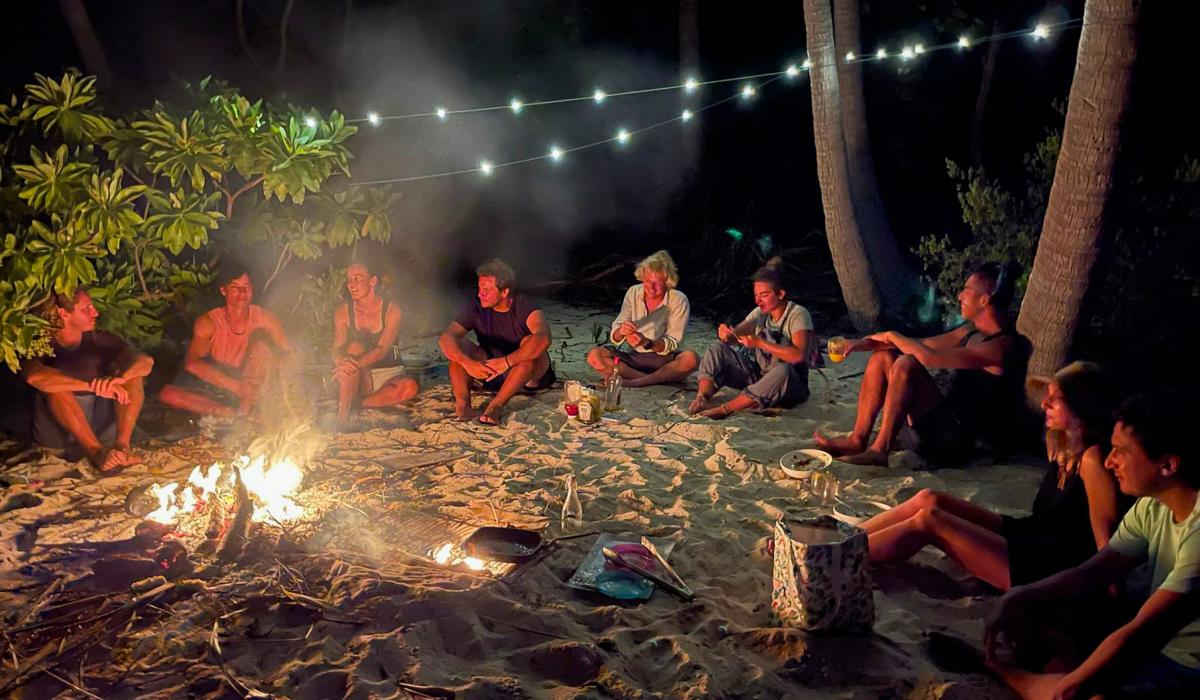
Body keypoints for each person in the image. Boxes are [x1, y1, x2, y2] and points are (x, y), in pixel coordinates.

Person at [985, 392, 1200, 699]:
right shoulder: (1153, 506)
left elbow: (1145, 632)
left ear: (1167, 465)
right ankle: (1029, 674)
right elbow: (1092, 573)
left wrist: (1072, 687)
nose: (1109, 462)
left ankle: (1009, 674)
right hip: (1154, 644)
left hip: (1185, 665)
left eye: (1121, 452)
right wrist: (1020, 595)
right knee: (1034, 612)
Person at [860, 361, 1127, 591]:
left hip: (1044, 567)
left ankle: (846, 557)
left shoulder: (1093, 461)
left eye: (1056, 399)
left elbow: (1107, 544)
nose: (1044, 403)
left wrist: (1112, 594)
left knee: (929, 522)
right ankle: (849, 540)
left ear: (1081, 407)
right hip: (1028, 535)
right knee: (929, 499)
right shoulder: (1062, 444)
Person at [815, 262, 1030, 466]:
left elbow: (928, 358)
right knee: (883, 357)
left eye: (966, 290)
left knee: (907, 363)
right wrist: (863, 344)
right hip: (932, 427)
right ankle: (858, 439)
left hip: (954, 442)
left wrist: (892, 334)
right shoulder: (969, 331)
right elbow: (921, 344)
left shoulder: (1000, 347)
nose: (959, 296)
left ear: (984, 300)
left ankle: (880, 450)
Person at [22, 288, 154, 471]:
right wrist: (92, 386)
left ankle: (122, 447)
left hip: (100, 428)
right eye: (86, 308)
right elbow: (33, 376)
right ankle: (96, 453)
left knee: (132, 375)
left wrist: (120, 378)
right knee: (55, 387)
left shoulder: (98, 339)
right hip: (58, 441)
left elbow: (145, 362)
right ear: (63, 313)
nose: (96, 313)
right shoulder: (40, 344)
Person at [688, 258, 813, 419]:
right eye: (756, 295)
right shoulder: (760, 313)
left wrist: (760, 342)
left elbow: (799, 356)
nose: (757, 300)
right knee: (717, 350)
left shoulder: (798, 314)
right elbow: (734, 337)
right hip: (760, 376)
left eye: (764, 295)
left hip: (789, 384)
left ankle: (725, 409)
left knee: (783, 371)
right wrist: (726, 334)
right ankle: (702, 398)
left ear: (781, 294)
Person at [160, 268, 293, 417]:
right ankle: (228, 414)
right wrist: (236, 387)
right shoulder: (209, 323)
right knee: (169, 394)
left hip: (257, 385)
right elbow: (192, 364)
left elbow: (289, 354)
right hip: (225, 383)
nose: (243, 293)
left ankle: (250, 408)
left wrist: (279, 384)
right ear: (223, 290)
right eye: (236, 287)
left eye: (247, 287)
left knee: (261, 347)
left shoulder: (265, 319)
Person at [438, 258, 554, 425]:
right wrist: (468, 363)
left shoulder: (524, 305)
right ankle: (463, 407)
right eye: (479, 288)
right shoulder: (476, 307)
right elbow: (446, 338)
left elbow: (544, 338)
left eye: (486, 289)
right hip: (490, 371)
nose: (480, 294)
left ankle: (495, 407)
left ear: (505, 292)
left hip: (524, 375)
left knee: (530, 344)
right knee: (458, 348)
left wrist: (507, 361)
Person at [586, 250, 699, 387]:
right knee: (594, 356)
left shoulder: (678, 299)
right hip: (634, 358)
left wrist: (647, 342)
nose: (651, 288)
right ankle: (652, 380)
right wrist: (622, 331)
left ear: (667, 282)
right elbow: (616, 334)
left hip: (665, 359)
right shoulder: (634, 292)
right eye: (647, 281)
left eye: (657, 283)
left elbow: (672, 342)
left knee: (691, 359)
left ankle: (636, 382)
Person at [330, 261, 419, 425]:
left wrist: (355, 363)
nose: (351, 284)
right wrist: (341, 362)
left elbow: (382, 349)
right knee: (354, 347)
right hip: (356, 375)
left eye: (357, 278)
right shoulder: (343, 312)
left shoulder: (392, 310)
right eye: (349, 279)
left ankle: (358, 404)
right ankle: (343, 415)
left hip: (386, 373)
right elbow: (337, 349)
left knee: (409, 387)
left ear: (373, 281)